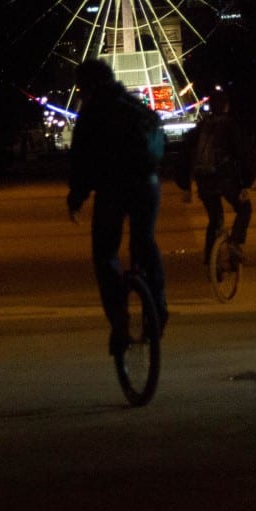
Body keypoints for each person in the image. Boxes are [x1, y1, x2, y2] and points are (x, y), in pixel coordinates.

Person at [66, 59, 167, 354]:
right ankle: (158, 307)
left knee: (105, 254)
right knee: (145, 243)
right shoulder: (137, 108)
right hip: (147, 185)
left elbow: (81, 162)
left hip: (112, 188)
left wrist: (77, 198)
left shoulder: (91, 114)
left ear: (88, 85)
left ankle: (120, 323)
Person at [176, 88, 255, 264]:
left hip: (204, 179)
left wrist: (185, 185)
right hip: (225, 179)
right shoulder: (230, 126)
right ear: (226, 106)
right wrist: (245, 184)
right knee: (244, 208)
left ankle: (209, 258)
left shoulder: (201, 127)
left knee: (215, 218)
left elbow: (185, 153)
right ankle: (235, 242)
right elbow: (244, 156)